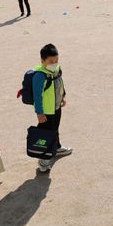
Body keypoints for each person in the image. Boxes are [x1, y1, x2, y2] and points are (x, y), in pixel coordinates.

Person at [32, 44, 73, 173]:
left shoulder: (57, 69)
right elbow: (37, 96)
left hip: (56, 107)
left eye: (56, 60)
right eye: (51, 61)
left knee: (55, 129)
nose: (54, 63)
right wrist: (39, 113)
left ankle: (56, 148)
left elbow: (60, 83)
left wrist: (63, 96)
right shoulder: (39, 76)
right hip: (46, 111)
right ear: (42, 61)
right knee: (45, 134)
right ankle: (43, 160)